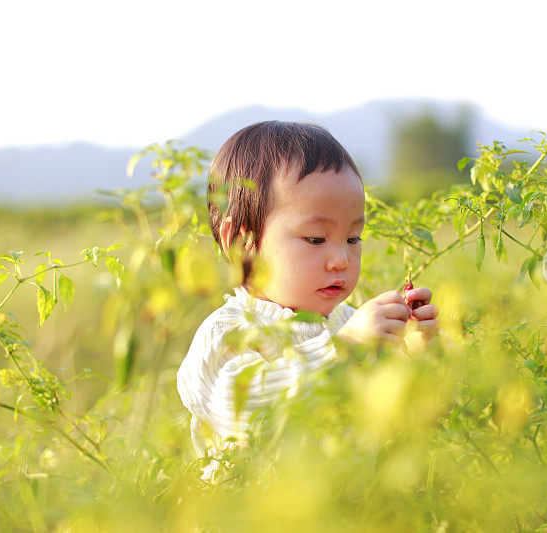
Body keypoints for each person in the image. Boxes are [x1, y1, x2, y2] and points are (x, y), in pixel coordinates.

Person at [176, 121, 439, 481]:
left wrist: (418, 349)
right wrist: (345, 350)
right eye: (316, 239)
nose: (341, 259)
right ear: (241, 243)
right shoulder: (227, 333)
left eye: (353, 238)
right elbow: (250, 415)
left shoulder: (348, 322)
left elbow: (398, 414)